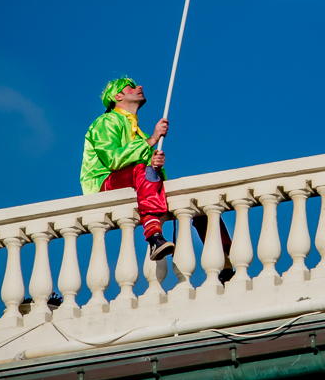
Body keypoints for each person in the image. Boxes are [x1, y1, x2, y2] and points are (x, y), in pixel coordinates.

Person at [81, 77, 232, 275]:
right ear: (118, 96)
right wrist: (151, 141)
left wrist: (155, 164)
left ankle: (226, 259)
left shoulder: (138, 131)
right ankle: (153, 235)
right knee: (144, 171)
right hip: (103, 183)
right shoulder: (106, 122)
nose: (140, 87)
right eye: (132, 86)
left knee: (197, 198)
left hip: (135, 181)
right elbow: (113, 160)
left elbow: (142, 168)